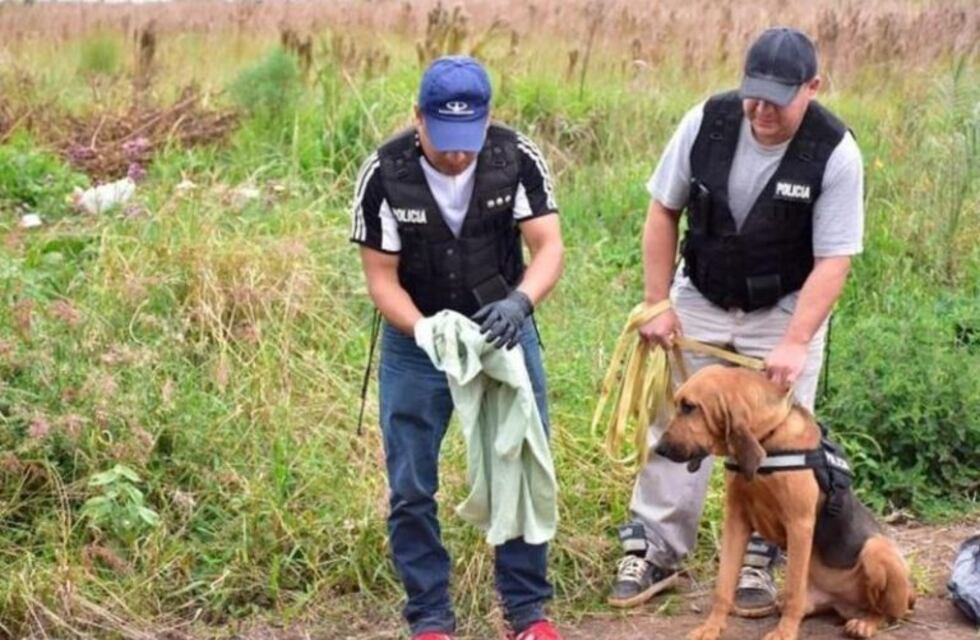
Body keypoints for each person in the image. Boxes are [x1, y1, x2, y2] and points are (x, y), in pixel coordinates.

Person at [608, 27, 864, 617]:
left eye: (778, 96)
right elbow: (662, 210)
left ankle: (761, 558)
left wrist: (796, 342)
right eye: (754, 93)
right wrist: (657, 302)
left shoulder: (835, 151)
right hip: (699, 297)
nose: (761, 108)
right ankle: (655, 548)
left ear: (812, 88)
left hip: (780, 313)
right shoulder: (706, 121)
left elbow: (835, 261)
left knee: (778, 441)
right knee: (676, 419)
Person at [350, 55, 565, 640]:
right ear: (417, 117)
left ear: (487, 118)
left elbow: (547, 246)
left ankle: (527, 613)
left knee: (520, 462)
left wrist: (521, 303)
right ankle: (430, 616)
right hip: (416, 342)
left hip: (502, 330)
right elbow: (380, 279)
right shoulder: (384, 173)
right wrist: (422, 331)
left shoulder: (515, 157)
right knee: (412, 483)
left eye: (467, 139)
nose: (457, 154)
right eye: (444, 139)